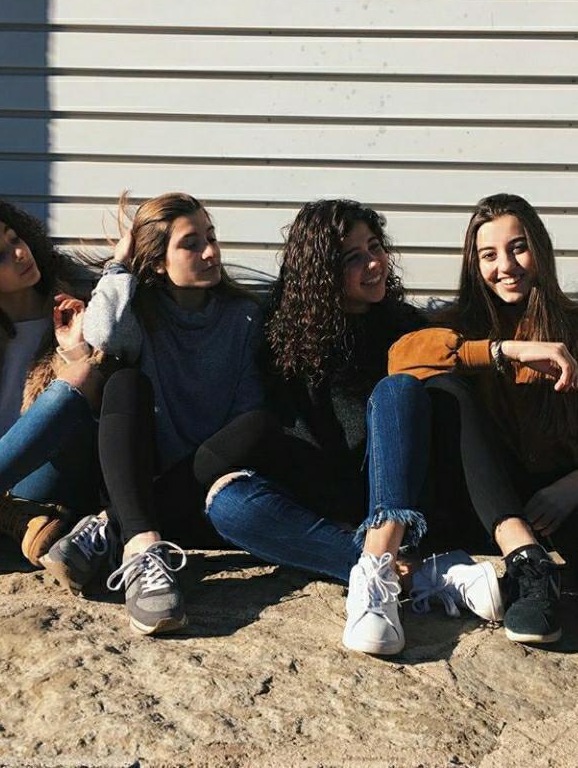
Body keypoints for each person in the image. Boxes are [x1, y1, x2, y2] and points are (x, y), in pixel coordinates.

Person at [202, 199, 503, 657]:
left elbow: (448, 366)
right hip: (318, 499)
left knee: (398, 390)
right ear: (321, 271)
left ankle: (380, 567)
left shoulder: (402, 323)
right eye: (353, 257)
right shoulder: (276, 332)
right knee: (227, 504)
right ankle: (417, 575)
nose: (374, 263)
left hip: (396, 499)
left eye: (375, 247)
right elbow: (280, 439)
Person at [42, 192, 278, 635]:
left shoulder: (243, 317)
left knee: (261, 423)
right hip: (138, 476)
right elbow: (104, 333)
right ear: (156, 263)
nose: (210, 252)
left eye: (211, 237)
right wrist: (118, 267)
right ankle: (142, 547)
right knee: (124, 385)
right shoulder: (140, 314)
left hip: (200, 491)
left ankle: (114, 528)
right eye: (191, 244)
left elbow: (247, 414)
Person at [389, 192, 578, 645]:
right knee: (443, 387)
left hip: (560, 497)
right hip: (485, 503)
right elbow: (400, 360)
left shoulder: (573, 324)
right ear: (474, 265)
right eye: (489, 255)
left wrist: (572, 487)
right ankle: (527, 564)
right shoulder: (458, 325)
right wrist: (502, 351)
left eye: (518, 248)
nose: (506, 266)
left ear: (540, 249)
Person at [0, 199, 103, 567]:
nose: (20, 253)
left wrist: (74, 351)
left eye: (15, 239)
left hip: (41, 483)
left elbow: (95, 413)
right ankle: (2, 516)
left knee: (80, 376)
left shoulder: (78, 314)